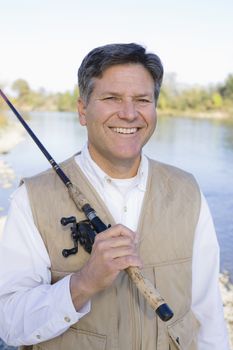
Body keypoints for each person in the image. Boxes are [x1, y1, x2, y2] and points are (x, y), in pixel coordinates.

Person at [0, 43, 229, 350]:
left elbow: (209, 315)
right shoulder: (31, 200)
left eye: (142, 100)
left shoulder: (188, 191)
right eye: (111, 98)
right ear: (83, 110)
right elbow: (9, 324)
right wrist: (83, 284)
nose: (129, 113)